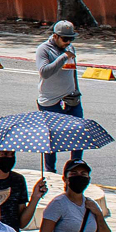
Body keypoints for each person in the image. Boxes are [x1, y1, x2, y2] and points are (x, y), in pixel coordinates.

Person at [36, 159, 110, 232]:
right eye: (74, 173)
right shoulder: (58, 204)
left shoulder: (91, 205)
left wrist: (99, 215)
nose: (79, 177)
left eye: (83, 174)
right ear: (65, 178)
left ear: (88, 179)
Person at [35, 20, 84, 173]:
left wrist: (76, 90)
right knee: (52, 138)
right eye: (65, 39)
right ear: (55, 36)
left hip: (71, 99)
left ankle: (75, 167)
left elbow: (72, 72)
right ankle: (50, 171)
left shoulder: (69, 48)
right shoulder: (43, 50)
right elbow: (45, 72)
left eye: (71, 39)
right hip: (51, 101)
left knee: (78, 134)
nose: (68, 42)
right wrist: (63, 57)